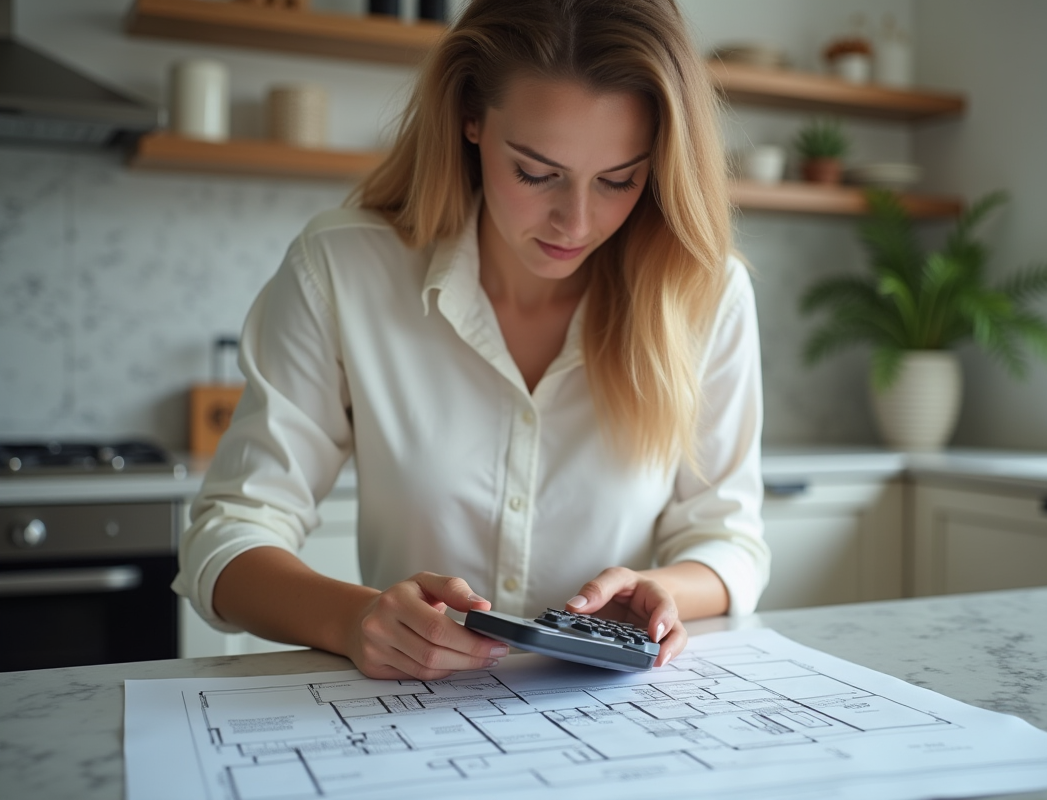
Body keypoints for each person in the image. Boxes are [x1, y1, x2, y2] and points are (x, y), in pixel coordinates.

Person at [173, 0, 769, 681]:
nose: (575, 222)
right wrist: (354, 619)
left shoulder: (705, 293)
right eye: (537, 173)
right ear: (471, 119)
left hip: (610, 722)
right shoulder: (343, 267)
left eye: (618, 180)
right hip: (411, 724)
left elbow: (729, 540)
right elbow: (228, 536)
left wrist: (664, 593)